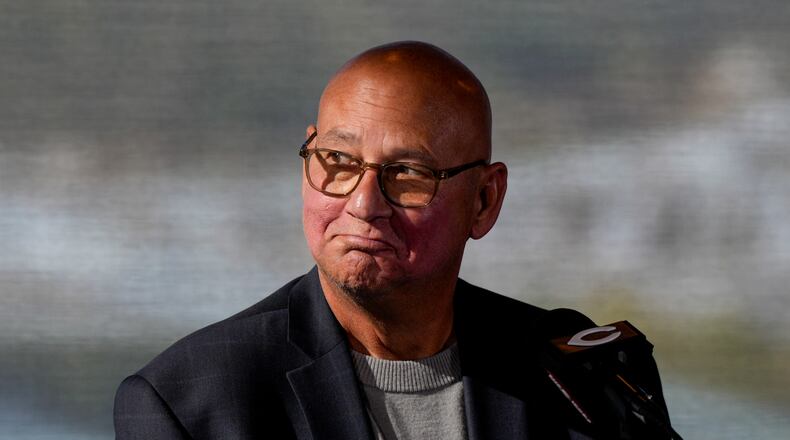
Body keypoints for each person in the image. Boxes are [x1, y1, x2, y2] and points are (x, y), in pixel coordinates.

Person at [114, 41, 671, 439]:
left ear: (484, 200)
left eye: (407, 174)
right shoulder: (191, 404)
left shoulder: (578, 377)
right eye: (337, 161)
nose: (362, 204)